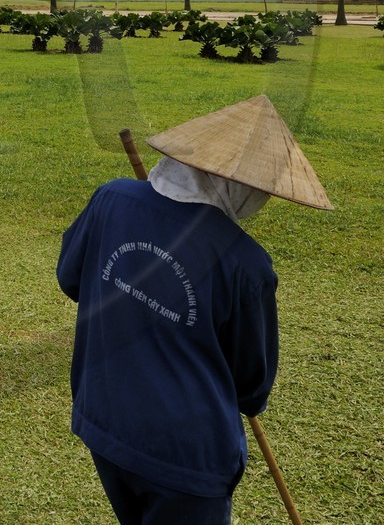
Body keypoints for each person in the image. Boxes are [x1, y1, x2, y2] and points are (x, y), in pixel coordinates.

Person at [57, 95, 332, 525]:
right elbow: (252, 387)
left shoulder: (111, 199)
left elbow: (72, 279)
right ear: (239, 186)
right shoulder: (245, 263)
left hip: (104, 421)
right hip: (187, 461)